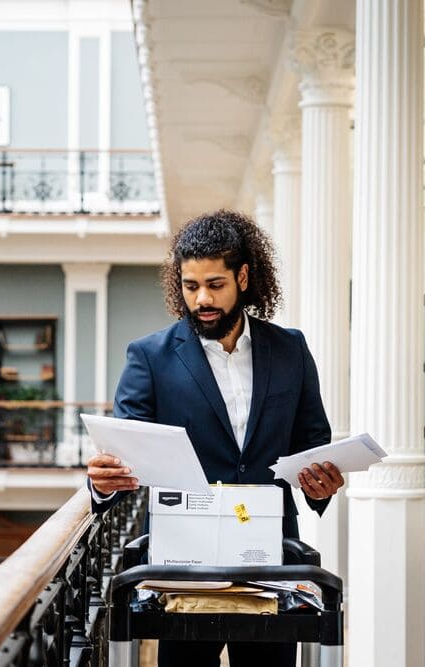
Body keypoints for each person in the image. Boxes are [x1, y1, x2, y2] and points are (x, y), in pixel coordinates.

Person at [86, 209, 344, 667]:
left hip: (270, 564)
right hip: (182, 569)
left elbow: (313, 442)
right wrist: (103, 484)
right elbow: (126, 455)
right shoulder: (149, 356)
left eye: (215, 285)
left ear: (243, 277)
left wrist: (320, 484)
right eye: (191, 286)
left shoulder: (291, 350)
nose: (202, 298)